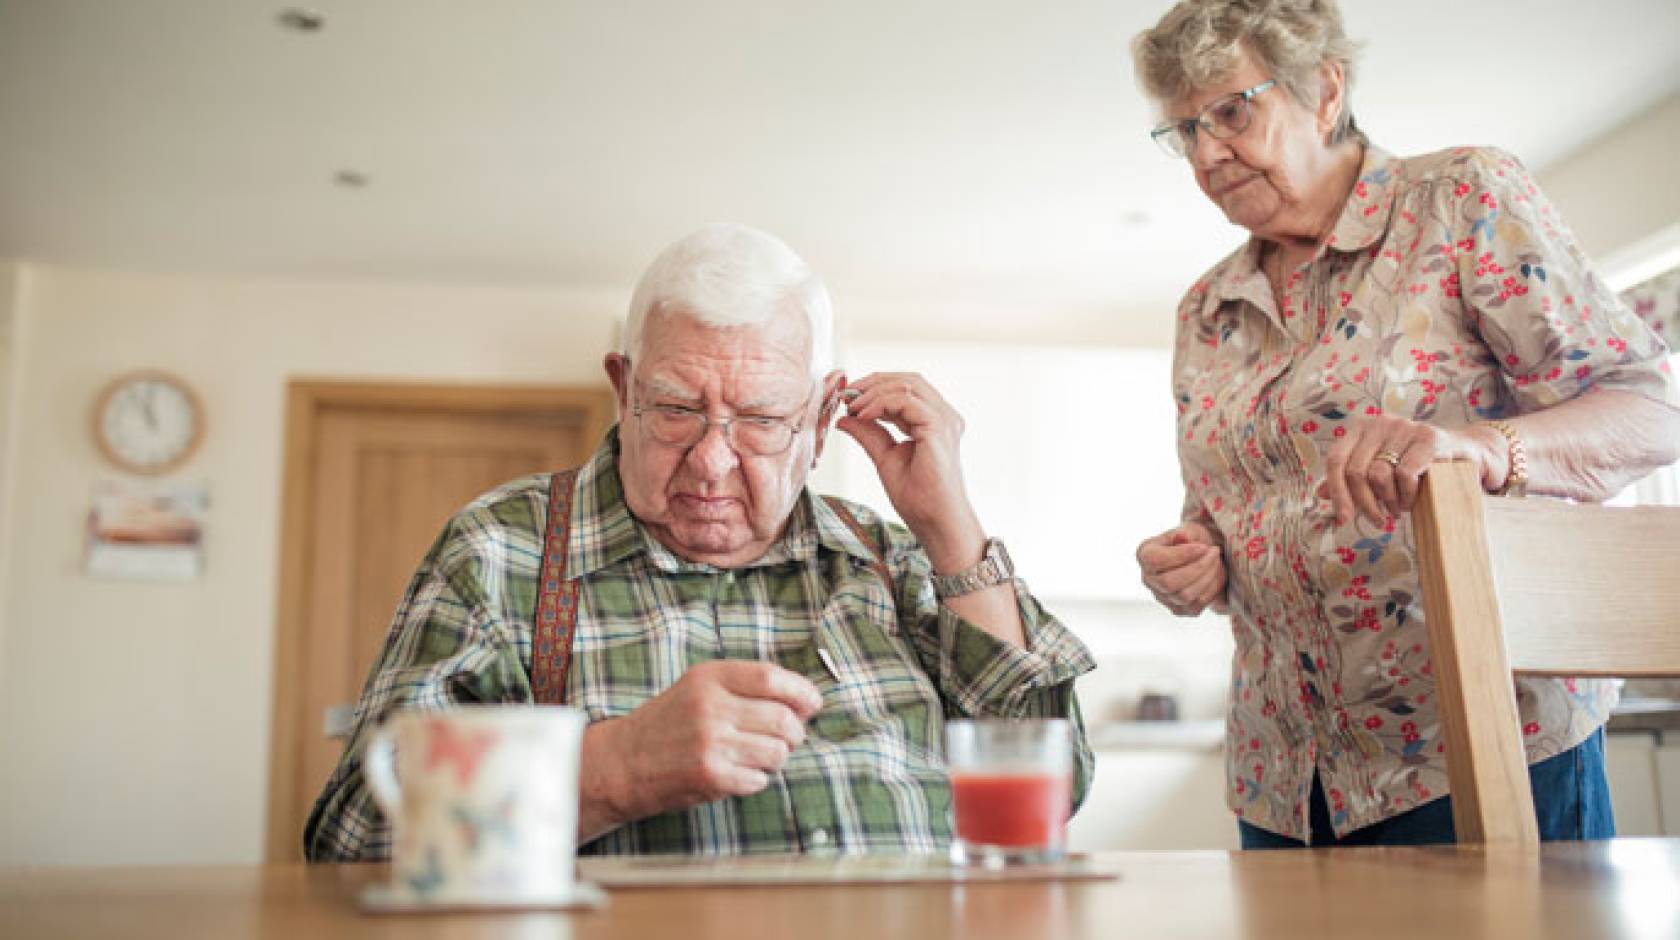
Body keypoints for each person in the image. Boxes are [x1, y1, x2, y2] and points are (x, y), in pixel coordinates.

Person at [305, 223, 1096, 860]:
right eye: (677, 408)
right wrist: (612, 770)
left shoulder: (900, 559)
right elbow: (352, 841)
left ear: (822, 420)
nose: (713, 461)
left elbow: (1054, 794)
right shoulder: (500, 550)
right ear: (624, 390)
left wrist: (952, 529)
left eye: (758, 419)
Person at [1130, 0, 1680, 848]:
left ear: (1323, 91)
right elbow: (1225, 512)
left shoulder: (1459, 199)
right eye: (1183, 131)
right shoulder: (1207, 309)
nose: (1206, 152)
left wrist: (1480, 450)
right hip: (1285, 777)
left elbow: (1649, 408)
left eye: (1232, 111)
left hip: (1481, 746)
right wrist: (1197, 562)